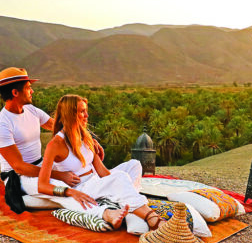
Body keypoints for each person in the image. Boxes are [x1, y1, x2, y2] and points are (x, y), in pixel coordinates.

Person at [37, 95, 163, 232]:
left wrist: (114, 183)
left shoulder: (85, 136)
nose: (87, 115)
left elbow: (102, 172)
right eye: (82, 111)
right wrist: (70, 192)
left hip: (96, 180)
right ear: (70, 114)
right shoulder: (55, 144)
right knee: (120, 178)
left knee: (134, 165)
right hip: (82, 187)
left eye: (86, 111)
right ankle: (152, 218)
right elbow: (42, 185)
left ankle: (127, 202)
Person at [0, 67, 82, 212]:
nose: (32, 91)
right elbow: (19, 166)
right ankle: (24, 198)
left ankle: (30, 201)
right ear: (15, 92)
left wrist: (89, 140)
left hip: (41, 167)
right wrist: (59, 175)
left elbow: (58, 127)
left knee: (80, 179)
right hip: (19, 177)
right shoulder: (1, 124)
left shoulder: (31, 110)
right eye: (28, 88)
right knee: (65, 192)